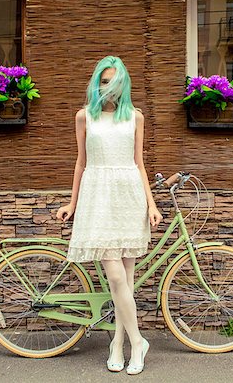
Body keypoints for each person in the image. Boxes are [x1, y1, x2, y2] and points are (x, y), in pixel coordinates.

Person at [56, 56, 163, 375]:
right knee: (116, 276)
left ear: (123, 85)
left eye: (115, 82)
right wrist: (72, 204)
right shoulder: (83, 117)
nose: (109, 88)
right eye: (104, 81)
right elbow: (80, 162)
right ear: (96, 83)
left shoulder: (135, 118)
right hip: (98, 196)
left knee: (125, 282)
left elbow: (139, 163)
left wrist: (152, 204)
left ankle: (119, 345)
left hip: (128, 195)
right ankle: (139, 341)